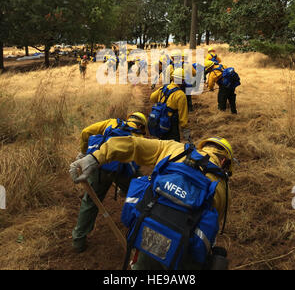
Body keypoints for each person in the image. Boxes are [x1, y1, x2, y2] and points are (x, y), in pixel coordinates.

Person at [69, 135, 235, 270]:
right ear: (224, 162)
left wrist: (95, 158)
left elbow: (134, 144)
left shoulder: (174, 148)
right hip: (183, 247)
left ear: (202, 147)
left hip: (149, 227)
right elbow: (211, 226)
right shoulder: (223, 187)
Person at [71, 112, 148, 253]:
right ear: (141, 126)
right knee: (142, 196)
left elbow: (85, 131)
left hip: (100, 167)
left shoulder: (112, 123)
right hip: (122, 172)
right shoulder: (139, 137)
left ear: (129, 119)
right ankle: (141, 237)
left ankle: (78, 241)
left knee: (90, 202)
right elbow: (138, 163)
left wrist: (84, 153)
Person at [149, 67, 190, 142]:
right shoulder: (181, 95)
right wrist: (186, 132)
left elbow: (152, 98)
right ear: (182, 80)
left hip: (160, 121)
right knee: (173, 146)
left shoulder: (163, 88)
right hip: (171, 125)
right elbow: (183, 117)